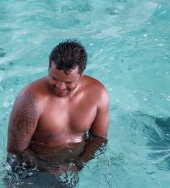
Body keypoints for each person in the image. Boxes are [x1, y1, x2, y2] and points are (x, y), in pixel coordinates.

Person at [7, 40, 109, 173]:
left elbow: (99, 138)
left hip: (73, 166)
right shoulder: (30, 99)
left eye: (68, 82)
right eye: (54, 78)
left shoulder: (97, 93)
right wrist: (51, 171)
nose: (60, 87)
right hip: (33, 169)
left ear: (81, 75)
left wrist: (78, 164)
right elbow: (16, 151)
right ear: (48, 69)